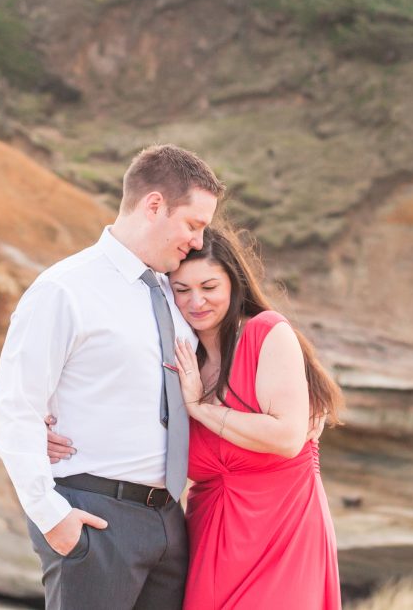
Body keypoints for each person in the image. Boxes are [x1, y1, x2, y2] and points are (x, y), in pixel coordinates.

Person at [49, 225, 344, 609]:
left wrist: (201, 410)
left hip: (282, 530)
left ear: (234, 284)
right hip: (209, 538)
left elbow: (287, 438)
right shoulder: (178, 361)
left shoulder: (266, 333)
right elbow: (111, 404)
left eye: (209, 287)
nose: (196, 302)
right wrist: (45, 424)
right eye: (182, 290)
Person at [0, 144, 224, 610]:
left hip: (168, 522)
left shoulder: (177, 296)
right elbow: (16, 408)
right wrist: (52, 518)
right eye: (193, 225)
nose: (198, 242)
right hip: (94, 517)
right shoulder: (65, 289)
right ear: (154, 205)